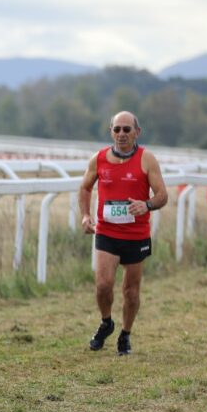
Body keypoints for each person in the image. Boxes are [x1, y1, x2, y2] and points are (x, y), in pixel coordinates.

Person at [78, 111, 168, 356]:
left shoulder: (146, 159)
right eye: (117, 129)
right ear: (111, 132)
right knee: (103, 285)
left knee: (131, 291)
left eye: (127, 129)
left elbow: (162, 195)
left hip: (136, 234)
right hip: (107, 231)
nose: (121, 134)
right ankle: (106, 322)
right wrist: (86, 215)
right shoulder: (98, 159)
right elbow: (85, 187)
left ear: (137, 132)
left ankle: (125, 334)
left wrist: (146, 205)